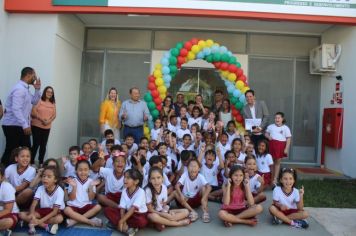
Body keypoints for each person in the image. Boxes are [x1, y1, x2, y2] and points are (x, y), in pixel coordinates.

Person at [1, 67, 41, 167]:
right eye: (34, 75)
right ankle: (3, 171)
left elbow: (34, 101)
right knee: (12, 149)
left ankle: (22, 171)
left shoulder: (25, 89)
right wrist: (25, 125)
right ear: (28, 75)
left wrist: (37, 89)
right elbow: (16, 109)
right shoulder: (19, 89)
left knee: (25, 149)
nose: (35, 77)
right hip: (12, 125)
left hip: (20, 125)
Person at [19, 166, 64, 235]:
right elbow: (33, 205)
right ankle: (45, 226)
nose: (45, 178)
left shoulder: (59, 191)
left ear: (55, 180)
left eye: (49, 177)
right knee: (21, 214)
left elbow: (55, 211)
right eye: (44, 176)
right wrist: (32, 216)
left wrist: (40, 221)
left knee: (59, 219)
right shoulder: (40, 188)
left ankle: (31, 223)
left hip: (54, 212)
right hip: (42, 210)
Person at [104, 169, 148, 235]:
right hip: (126, 213)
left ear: (136, 181)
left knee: (142, 222)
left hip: (137, 214)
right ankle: (128, 228)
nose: (125, 179)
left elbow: (133, 209)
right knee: (107, 210)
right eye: (124, 177)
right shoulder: (124, 190)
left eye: (128, 178)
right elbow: (122, 208)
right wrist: (123, 221)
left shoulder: (141, 192)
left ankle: (117, 225)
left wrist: (121, 221)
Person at [145, 167, 190, 231]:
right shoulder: (148, 190)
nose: (156, 181)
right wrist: (165, 215)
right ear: (149, 180)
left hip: (162, 212)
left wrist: (166, 212)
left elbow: (164, 204)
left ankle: (166, 221)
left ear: (162, 178)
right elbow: (150, 210)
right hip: (153, 213)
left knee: (186, 212)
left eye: (158, 177)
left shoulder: (164, 188)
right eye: (153, 178)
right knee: (153, 217)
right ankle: (178, 223)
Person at [64, 160, 102, 228]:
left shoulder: (91, 181)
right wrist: (74, 186)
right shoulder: (73, 181)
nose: (83, 172)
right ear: (76, 171)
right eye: (80, 170)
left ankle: (75, 221)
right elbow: (72, 198)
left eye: (85, 170)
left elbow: (91, 198)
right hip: (74, 207)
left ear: (89, 171)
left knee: (98, 207)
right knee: (66, 210)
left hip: (86, 207)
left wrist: (91, 186)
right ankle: (89, 221)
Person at [30, 86, 56, 166]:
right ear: (45, 92)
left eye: (51, 92)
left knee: (43, 145)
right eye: (48, 91)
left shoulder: (53, 103)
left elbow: (54, 115)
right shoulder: (39, 100)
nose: (49, 93)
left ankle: (41, 162)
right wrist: (42, 119)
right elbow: (33, 112)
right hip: (36, 125)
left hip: (47, 127)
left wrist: (48, 121)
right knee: (36, 144)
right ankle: (31, 162)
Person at [265, 112, 292, 186]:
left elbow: (288, 139)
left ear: (282, 119)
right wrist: (268, 136)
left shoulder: (285, 128)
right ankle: (270, 178)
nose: (277, 119)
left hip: (280, 146)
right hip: (272, 145)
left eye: (279, 118)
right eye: (276, 118)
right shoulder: (271, 126)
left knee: (277, 162)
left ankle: (275, 179)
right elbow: (266, 133)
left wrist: (286, 148)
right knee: (271, 162)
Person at [0, 164, 20, 236]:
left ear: (2, 177)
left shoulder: (6, 187)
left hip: (9, 214)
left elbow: (8, 210)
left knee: (9, 221)